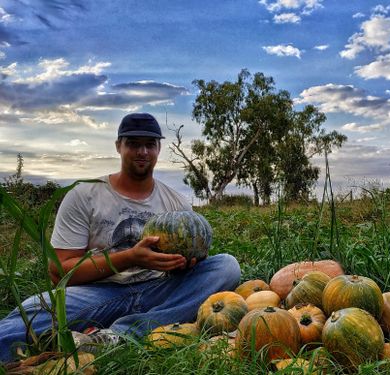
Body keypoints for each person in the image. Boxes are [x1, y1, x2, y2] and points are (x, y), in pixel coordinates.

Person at [0, 113, 241, 361]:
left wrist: (183, 265)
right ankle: (152, 322)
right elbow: (59, 271)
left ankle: (118, 336)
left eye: (150, 144)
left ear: (158, 148)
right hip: (97, 293)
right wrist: (130, 258)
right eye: (133, 144)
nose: (142, 151)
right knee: (29, 317)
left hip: (157, 289)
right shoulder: (85, 195)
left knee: (226, 266)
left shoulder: (176, 204)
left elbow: (192, 260)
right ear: (118, 146)